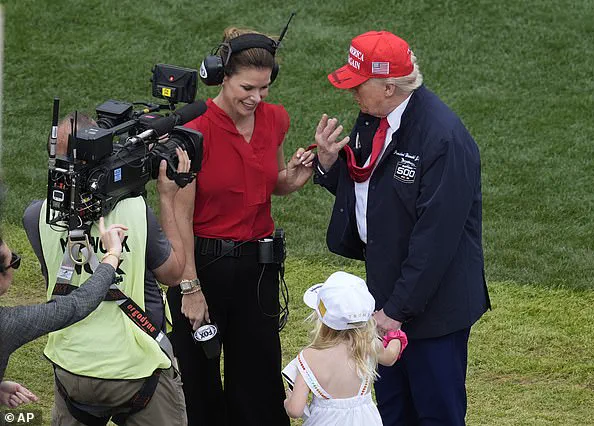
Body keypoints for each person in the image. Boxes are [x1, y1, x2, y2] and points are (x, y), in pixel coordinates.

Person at [313, 31, 491, 425]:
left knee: (435, 415)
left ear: (389, 87)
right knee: (392, 412)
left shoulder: (443, 138)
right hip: (385, 298)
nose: (352, 93)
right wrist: (328, 166)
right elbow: (369, 191)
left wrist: (396, 311)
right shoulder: (373, 118)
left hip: (432, 311)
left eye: (358, 85)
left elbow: (435, 240)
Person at [167, 26, 315, 426]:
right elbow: (178, 216)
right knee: (199, 383)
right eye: (247, 87)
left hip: (258, 270)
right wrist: (190, 288)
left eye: (265, 88)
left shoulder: (275, 120)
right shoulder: (194, 130)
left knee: (258, 384)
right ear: (222, 78)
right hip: (202, 268)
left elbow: (273, 182)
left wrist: (296, 176)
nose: (256, 98)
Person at [22, 113, 191, 425]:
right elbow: (173, 274)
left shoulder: (36, 216)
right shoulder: (136, 210)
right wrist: (170, 198)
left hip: (71, 369)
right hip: (137, 371)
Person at [0, 218, 126, 408]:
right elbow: (77, 305)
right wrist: (113, 254)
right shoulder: (6, 325)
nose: (16, 267)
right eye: (14, 262)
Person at [283, 271, 407, 425]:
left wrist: (288, 400)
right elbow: (390, 357)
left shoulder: (309, 357)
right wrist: (396, 335)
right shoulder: (367, 345)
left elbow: (295, 410)